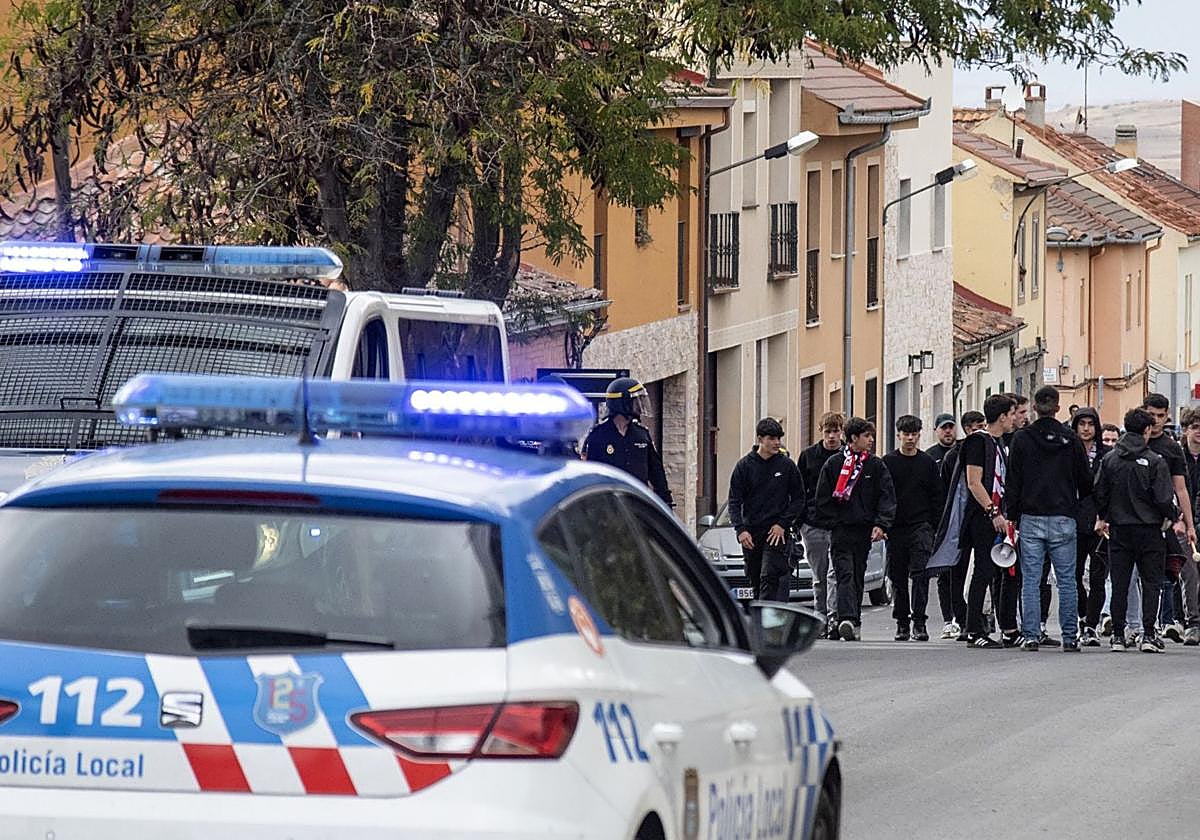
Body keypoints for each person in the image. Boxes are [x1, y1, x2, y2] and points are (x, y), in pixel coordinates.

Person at [1006, 387, 1092, 652]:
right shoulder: (1071, 439)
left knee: (1031, 580)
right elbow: (1086, 482)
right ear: (1057, 407)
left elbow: (1013, 480)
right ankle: (1069, 636)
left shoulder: (1021, 439)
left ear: (1034, 406)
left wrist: (1013, 514)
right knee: (1067, 580)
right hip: (1064, 516)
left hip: (1031, 516)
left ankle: (1031, 634)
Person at [1094, 408, 1176, 652]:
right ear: (1147, 430)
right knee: (1151, 582)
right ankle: (1148, 634)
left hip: (1119, 528)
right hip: (1149, 529)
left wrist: (1106, 515)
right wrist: (1172, 515)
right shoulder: (1154, 461)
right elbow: (1163, 497)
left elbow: (1100, 491)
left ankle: (1118, 635)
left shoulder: (1110, 459)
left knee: (1120, 582)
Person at [816, 417, 896, 641]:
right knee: (844, 573)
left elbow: (886, 496)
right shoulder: (833, 464)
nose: (871, 440)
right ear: (853, 438)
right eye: (866, 436)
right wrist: (833, 522)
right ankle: (845, 619)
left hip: (864, 531)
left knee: (858, 574)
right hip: (841, 530)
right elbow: (822, 498)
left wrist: (881, 524)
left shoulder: (875, 465)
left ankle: (855, 620)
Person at [959, 394, 1018, 648]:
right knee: (982, 571)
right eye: (1012, 414)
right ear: (1002, 416)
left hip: (1000, 515)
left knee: (999, 572)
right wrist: (993, 511)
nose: (1015, 419)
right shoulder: (977, 442)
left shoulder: (1000, 443)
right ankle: (973, 629)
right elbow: (974, 482)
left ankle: (1005, 626)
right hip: (982, 517)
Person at [727, 418, 808, 601]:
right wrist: (741, 530)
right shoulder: (744, 467)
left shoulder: (786, 466)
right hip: (752, 532)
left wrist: (783, 523)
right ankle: (760, 619)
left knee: (769, 576)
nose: (776, 443)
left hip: (776, 533)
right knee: (755, 579)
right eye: (771, 438)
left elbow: (798, 498)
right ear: (760, 439)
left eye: (779, 438)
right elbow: (734, 501)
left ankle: (768, 618)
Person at [1142, 393, 1199, 645]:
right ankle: (1148, 624)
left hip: (1178, 519)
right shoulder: (1132, 444)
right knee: (1151, 574)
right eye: (1151, 415)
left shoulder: (1170, 448)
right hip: (1146, 520)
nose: (1155, 420)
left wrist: (1187, 522)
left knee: (1188, 571)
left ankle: (1191, 622)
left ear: (1166, 417)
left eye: (1160, 416)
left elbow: (1182, 488)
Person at [884, 415, 943, 642]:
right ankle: (902, 623)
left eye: (914, 434)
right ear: (898, 434)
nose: (910, 438)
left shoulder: (926, 463)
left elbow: (936, 496)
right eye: (906, 433)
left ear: (919, 434)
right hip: (896, 528)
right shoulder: (888, 463)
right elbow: (883, 495)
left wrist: (934, 527)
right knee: (897, 577)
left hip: (921, 527)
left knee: (920, 576)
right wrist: (883, 524)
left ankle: (919, 622)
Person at [935, 409, 987, 639]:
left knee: (986, 572)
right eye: (974, 426)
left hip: (982, 520)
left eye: (981, 425)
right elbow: (947, 491)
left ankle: (980, 618)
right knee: (956, 571)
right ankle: (961, 618)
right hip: (960, 521)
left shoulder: (990, 448)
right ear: (967, 429)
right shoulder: (952, 456)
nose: (978, 430)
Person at [581, 376, 673, 505]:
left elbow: (657, 473)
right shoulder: (598, 437)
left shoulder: (642, 435)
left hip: (638, 506)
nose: (640, 407)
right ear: (623, 402)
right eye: (637, 401)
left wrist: (666, 502)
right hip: (609, 508)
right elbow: (589, 477)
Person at [798, 412, 845, 631]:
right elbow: (799, 490)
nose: (832, 436)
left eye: (836, 431)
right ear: (821, 432)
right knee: (819, 575)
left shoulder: (849, 456)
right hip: (813, 524)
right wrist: (801, 522)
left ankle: (834, 616)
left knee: (834, 573)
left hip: (839, 524)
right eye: (828, 432)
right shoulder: (808, 456)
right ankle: (821, 616)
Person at [1072, 407, 1111, 646]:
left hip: (1099, 523)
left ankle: (1091, 625)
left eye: (1090, 424)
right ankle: (1082, 615)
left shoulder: (1106, 455)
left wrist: (1104, 516)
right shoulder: (1066, 453)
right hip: (1073, 523)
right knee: (1073, 576)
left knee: (1098, 577)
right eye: (1081, 424)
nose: (1086, 429)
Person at [1180, 406, 1200, 645]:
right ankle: (1192, 623)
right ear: (1186, 430)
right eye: (1194, 427)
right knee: (1190, 574)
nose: (1198, 432)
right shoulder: (1176, 456)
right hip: (1183, 523)